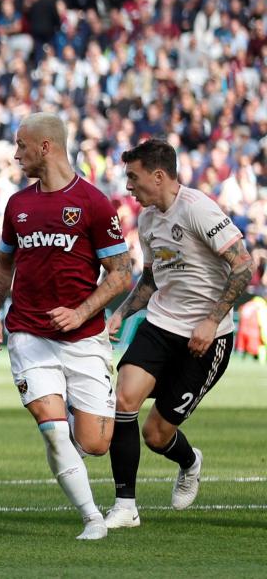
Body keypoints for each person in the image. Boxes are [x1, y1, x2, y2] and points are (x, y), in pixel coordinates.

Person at [0, 112, 132, 540]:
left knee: (96, 443)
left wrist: (82, 312)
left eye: (21, 146)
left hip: (84, 338)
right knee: (52, 432)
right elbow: (2, 265)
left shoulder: (94, 203)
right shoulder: (18, 204)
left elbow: (121, 272)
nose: (16, 155)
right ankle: (92, 519)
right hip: (28, 332)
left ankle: (70, 413)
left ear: (45, 147)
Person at [104, 139, 254, 528]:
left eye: (133, 178)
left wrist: (210, 320)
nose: (128, 187)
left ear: (158, 175)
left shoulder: (199, 209)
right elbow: (151, 279)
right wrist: (121, 313)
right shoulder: (149, 219)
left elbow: (243, 266)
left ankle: (189, 461)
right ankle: (125, 506)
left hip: (207, 338)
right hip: (160, 325)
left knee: (156, 434)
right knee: (123, 398)